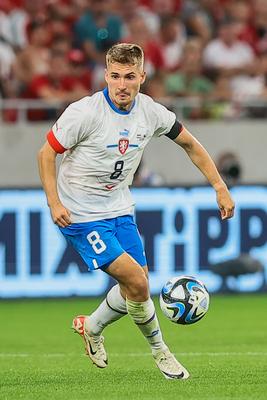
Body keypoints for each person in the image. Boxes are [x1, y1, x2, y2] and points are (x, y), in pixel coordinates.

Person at [37, 43, 235, 380]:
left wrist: (219, 185)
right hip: (81, 215)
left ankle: (92, 327)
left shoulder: (151, 112)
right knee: (136, 281)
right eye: (115, 76)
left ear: (142, 77)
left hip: (119, 207)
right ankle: (161, 352)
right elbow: (46, 154)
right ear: (105, 75)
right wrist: (54, 202)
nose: (122, 84)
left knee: (137, 284)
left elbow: (189, 142)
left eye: (130, 76)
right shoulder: (85, 112)